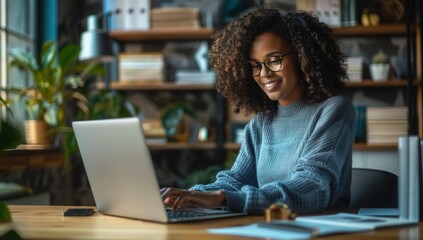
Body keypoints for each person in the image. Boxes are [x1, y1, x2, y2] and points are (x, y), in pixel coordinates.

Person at [160, 8, 356, 215]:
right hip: (266, 227)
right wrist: (189, 194)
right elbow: (236, 180)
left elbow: (312, 186)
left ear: (302, 57)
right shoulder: (261, 122)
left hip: (318, 230)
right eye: (255, 65)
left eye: (273, 60)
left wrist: (226, 198)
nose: (264, 74)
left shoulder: (334, 110)